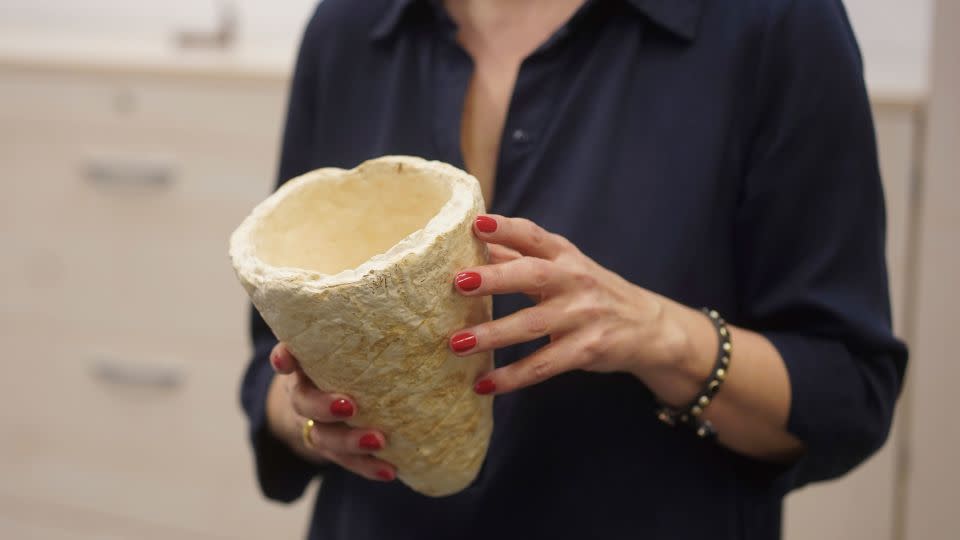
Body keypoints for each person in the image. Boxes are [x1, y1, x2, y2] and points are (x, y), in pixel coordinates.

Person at [239, 0, 908, 538]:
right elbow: (270, 362)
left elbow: (847, 390)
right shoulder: (348, 27)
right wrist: (311, 417)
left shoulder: (773, 23)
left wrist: (660, 336)